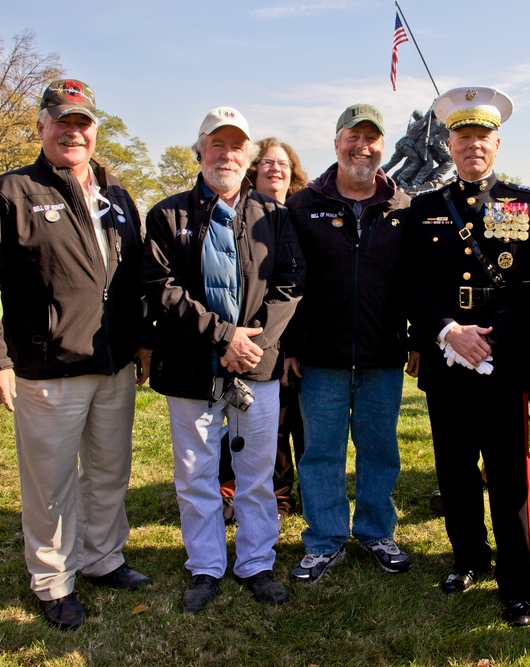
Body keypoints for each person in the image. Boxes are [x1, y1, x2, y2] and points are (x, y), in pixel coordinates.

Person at [0, 79, 153, 631]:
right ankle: (52, 580)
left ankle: (103, 558)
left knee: (110, 473)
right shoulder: (11, 193)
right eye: (62, 121)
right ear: (41, 126)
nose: (73, 131)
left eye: (83, 122)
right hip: (48, 369)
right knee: (51, 484)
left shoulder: (117, 194)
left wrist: (141, 341)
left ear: (95, 131)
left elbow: (133, 276)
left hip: (113, 366)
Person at [400, 86, 530, 628]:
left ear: (496, 142)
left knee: (509, 474)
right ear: (449, 142)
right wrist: (447, 331)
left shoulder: (525, 201)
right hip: (447, 358)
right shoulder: (423, 209)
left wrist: (487, 338)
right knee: (456, 468)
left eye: (482, 137)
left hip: (502, 359)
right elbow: (412, 282)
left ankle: (519, 583)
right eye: (462, 137)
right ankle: (468, 557)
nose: (473, 146)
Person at [142, 107, 305, 612]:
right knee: (196, 474)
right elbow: (159, 288)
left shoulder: (275, 217)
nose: (227, 155)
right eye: (217, 145)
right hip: (192, 366)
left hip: (256, 367)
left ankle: (256, 562)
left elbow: (292, 282)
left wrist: (250, 343)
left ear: (249, 157)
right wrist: (222, 337)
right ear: (200, 151)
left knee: (257, 473)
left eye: (237, 147)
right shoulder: (167, 214)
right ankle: (206, 566)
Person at [284, 103, 414, 584]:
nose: (363, 146)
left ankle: (377, 531)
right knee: (321, 452)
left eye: (372, 138)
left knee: (380, 448)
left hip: (383, 354)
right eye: (353, 137)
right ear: (336, 141)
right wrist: (291, 346)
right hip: (322, 357)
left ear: (383, 144)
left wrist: (418, 338)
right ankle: (325, 539)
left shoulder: (405, 206)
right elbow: (289, 281)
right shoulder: (302, 206)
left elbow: (416, 282)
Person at [218, 138, 309, 522]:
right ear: (253, 169)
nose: (276, 169)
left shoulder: (305, 211)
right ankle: (251, 492)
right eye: (268, 162)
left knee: (300, 425)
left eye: (284, 164)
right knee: (263, 425)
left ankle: (292, 494)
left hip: (304, 336)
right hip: (256, 340)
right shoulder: (241, 213)